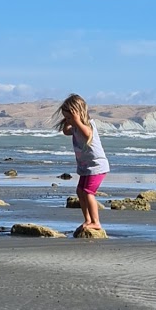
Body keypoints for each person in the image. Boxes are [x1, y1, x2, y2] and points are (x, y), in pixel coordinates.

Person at [55, 93, 109, 233]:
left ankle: (96, 222)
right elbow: (66, 132)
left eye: (69, 117)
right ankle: (88, 219)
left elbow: (87, 135)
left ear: (78, 113)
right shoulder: (75, 128)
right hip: (86, 167)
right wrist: (68, 121)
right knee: (80, 191)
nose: (68, 121)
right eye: (66, 118)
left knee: (88, 192)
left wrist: (77, 121)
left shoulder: (88, 125)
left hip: (97, 166)